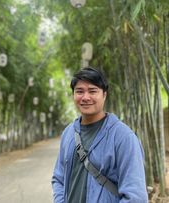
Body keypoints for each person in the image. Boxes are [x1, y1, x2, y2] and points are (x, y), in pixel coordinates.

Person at [52, 66, 148, 203]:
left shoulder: (123, 137)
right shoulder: (68, 133)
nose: (85, 97)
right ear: (73, 95)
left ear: (104, 95)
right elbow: (58, 178)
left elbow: (135, 196)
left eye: (92, 91)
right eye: (79, 91)